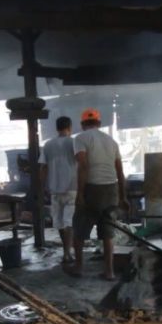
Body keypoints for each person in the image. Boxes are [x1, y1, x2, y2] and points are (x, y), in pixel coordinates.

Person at [65, 108, 128, 280]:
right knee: (107, 232)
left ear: (83, 124)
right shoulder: (112, 141)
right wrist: (123, 197)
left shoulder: (80, 138)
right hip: (111, 190)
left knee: (79, 230)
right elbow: (120, 172)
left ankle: (78, 268)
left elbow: (83, 167)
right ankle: (110, 271)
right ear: (99, 123)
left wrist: (80, 194)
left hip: (92, 189)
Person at [39, 116, 77, 264]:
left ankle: (66, 251)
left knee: (60, 222)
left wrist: (41, 188)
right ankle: (67, 252)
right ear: (70, 127)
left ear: (56, 128)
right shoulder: (74, 143)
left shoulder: (48, 145)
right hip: (72, 188)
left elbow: (43, 167)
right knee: (68, 222)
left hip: (54, 189)